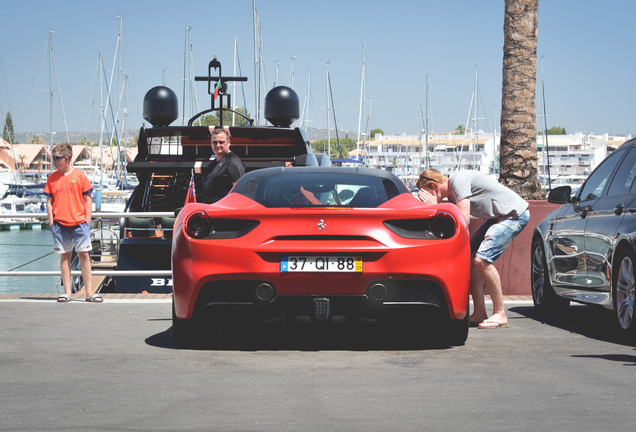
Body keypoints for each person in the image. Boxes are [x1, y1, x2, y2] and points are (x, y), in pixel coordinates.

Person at [416, 169, 529, 329]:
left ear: (435, 186)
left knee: (482, 260)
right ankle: (479, 313)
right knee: (470, 257)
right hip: (497, 217)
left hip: (513, 215)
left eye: (425, 192)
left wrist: (435, 205)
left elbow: (464, 219)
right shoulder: (450, 195)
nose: (424, 197)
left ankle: (500, 313)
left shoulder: (458, 181)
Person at [44, 143, 101, 303]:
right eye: (53, 158)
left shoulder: (79, 176)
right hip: (60, 225)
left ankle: (89, 293)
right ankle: (67, 292)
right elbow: (49, 201)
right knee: (65, 256)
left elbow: (88, 199)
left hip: (80, 224)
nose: (53, 161)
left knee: (84, 255)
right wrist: (51, 222)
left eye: (56, 158)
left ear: (66, 159)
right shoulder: (52, 178)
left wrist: (87, 222)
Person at [201, 127, 245, 204]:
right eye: (214, 142)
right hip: (211, 209)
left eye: (221, 142)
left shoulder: (232, 161)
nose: (218, 145)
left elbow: (240, 190)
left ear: (228, 143)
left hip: (223, 211)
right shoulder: (213, 164)